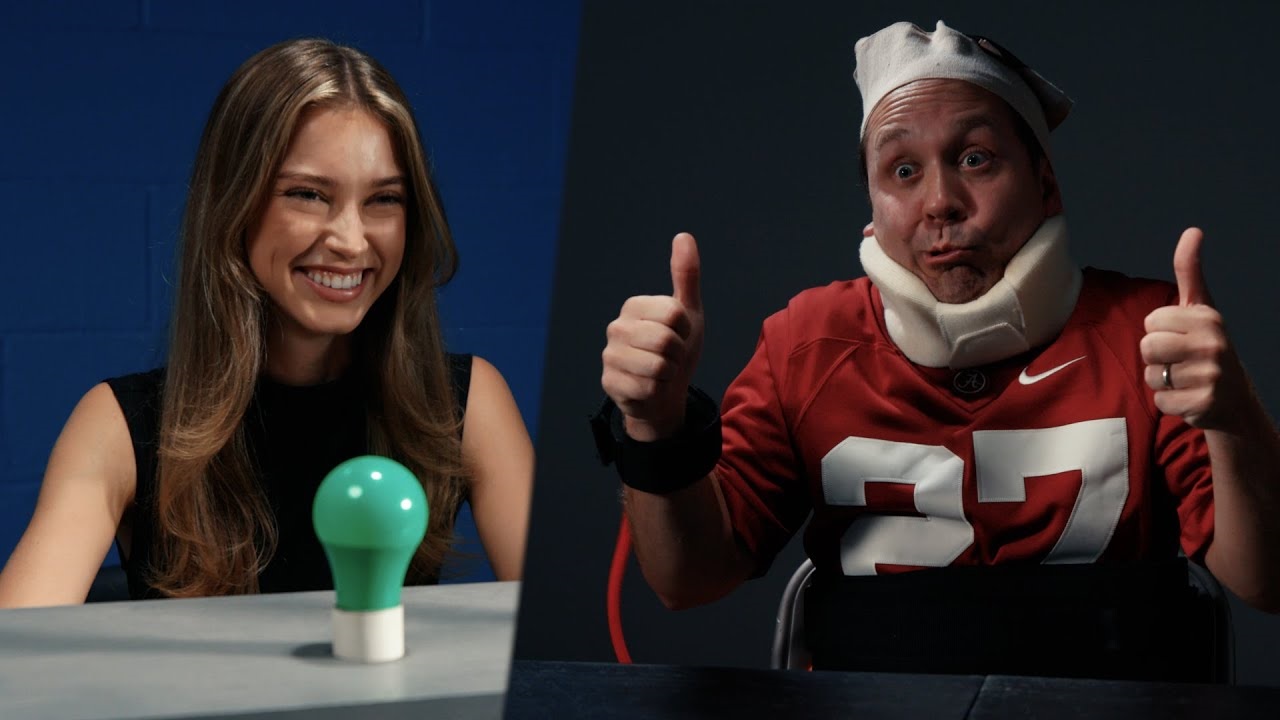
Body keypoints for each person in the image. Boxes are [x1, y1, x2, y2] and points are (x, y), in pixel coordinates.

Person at [596, 19, 1280, 624]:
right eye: (901, 170)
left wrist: (1234, 415)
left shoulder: (1150, 332)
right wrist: (655, 428)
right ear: (871, 205)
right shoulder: (805, 342)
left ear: (1045, 184)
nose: (941, 203)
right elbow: (688, 579)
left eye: (975, 159)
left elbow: (1266, 582)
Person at [0, 39, 533, 606]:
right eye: (307, 195)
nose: (352, 241)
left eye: (384, 200)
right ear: (236, 206)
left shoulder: (467, 403)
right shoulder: (116, 426)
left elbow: (564, 644)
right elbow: (19, 659)